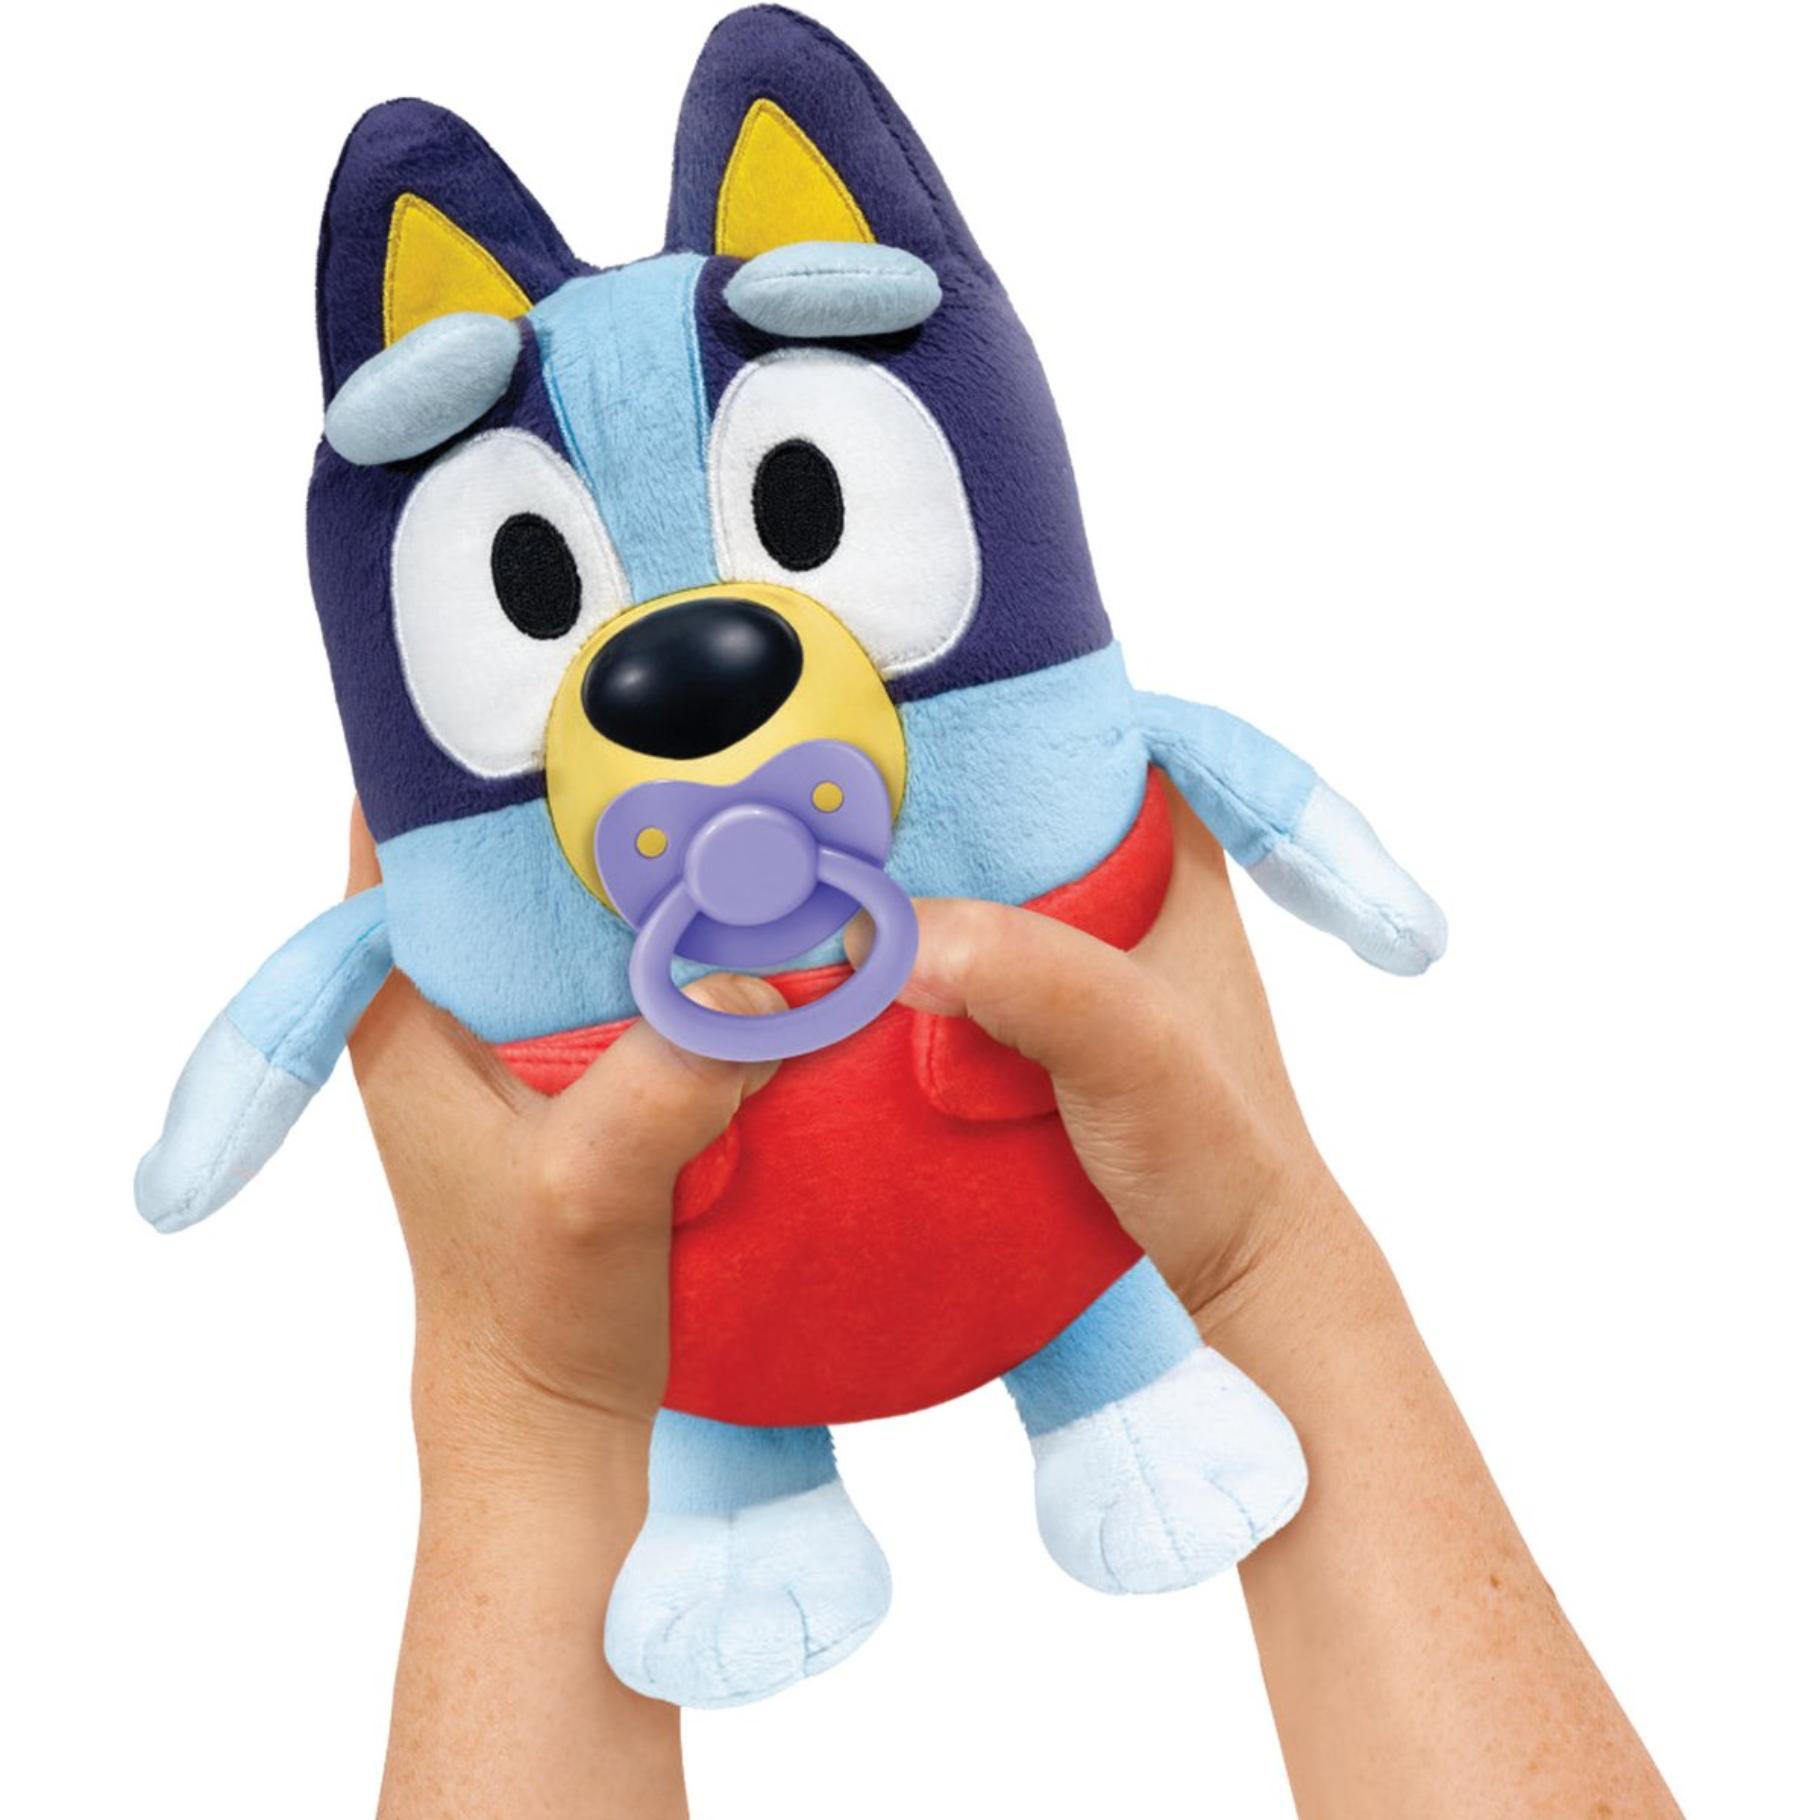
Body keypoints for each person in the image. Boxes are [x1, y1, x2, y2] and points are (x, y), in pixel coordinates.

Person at [349, 783, 1680, 1819]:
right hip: (737, 1337)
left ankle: (1115, 1392)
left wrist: (534, 1422)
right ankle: (747, 1507)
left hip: (1044, 1253)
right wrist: (1265, 1266)